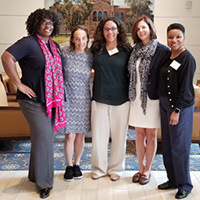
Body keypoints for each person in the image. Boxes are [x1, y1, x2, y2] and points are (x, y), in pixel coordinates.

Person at [1, 8, 66, 199]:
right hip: (32, 101)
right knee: (45, 139)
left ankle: (34, 175)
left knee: (40, 139)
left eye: (51, 23)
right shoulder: (28, 43)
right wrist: (18, 84)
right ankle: (45, 183)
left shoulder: (54, 46)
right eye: (44, 22)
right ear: (36, 24)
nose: (48, 26)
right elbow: (7, 57)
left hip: (49, 100)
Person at [128, 15, 170, 185]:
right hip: (136, 98)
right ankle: (140, 167)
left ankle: (148, 169)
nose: (141, 31)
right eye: (138, 29)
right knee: (138, 134)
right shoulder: (134, 50)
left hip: (152, 99)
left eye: (144, 27)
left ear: (150, 29)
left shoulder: (162, 50)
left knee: (151, 134)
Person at [90, 17, 132, 181]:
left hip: (121, 100)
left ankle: (116, 168)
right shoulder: (96, 50)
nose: (110, 32)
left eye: (113, 28)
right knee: (98, 137)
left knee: (119, 136)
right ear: (102, 31)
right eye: (107, 29)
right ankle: (99, 168)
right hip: (99, 98)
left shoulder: (127, 51)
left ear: (119, 30)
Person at [157, 23, 196, 199]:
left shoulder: (187, 58)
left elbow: (186, 89)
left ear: (184, 37)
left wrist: (177, 110)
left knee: (180, 147)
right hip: (165, 106)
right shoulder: (167, 56)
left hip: (179, 108)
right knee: (168, 146)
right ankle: (172, 180)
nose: (174, 40)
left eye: (178, 37)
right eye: (171, 37)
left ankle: (185, 184)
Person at [58, 25, 93, 182]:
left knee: (80, 134)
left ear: (87, 39)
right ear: (72, 39)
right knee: (69, 135)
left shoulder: (90, 56)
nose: (81, 42)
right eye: (77, 38)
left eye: (84, 38)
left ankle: (77, 164)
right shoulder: (65, 53)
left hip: (84, 98)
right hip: (68, 98)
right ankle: (69, 165)